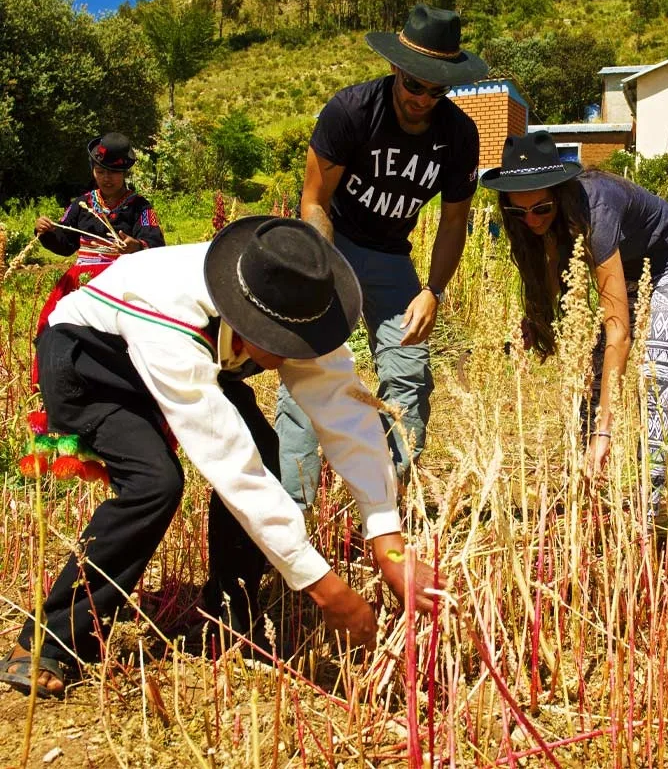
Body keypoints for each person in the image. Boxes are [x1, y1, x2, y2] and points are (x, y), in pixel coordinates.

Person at [0, 216, 439, 698]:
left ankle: (229, 620)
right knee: (154, 484)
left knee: (268, 455)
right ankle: (47, 641)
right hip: (92, 357)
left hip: (183, 357)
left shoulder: (302, 303)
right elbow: (230, 462)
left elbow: (348, 419)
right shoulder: (170, 306)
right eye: (276, 343)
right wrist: (321, 584)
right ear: (240, 311)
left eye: (296, 344)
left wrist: (388, 541)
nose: (289, 355)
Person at [276, 4, 488, 508]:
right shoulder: (350, 111)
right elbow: (314, 202)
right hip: (335, 244)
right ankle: (294, 510)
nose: (423, 99)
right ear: (396, 67)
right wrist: (321, 270)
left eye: (437, 90)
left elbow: (455, 221)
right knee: (309, 368)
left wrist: (432, 291)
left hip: (393, 258)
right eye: (415, 84)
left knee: (409, 374)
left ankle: (384, 505)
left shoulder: (459, 135)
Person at [481, 131, 668, 514]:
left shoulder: (597, 209)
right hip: (623, 268)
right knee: (592, 375)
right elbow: (554, 274)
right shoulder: (544, 219)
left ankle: (652, 504)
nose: (531, 220)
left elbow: (619, 331)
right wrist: (540, 321)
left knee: (652, 372)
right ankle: (590, 497)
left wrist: (605, 430)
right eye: (519, 212)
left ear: (560, 194)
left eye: (540, 210)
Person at [33, 132, 165, 355]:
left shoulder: (140, 207)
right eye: (100, 171)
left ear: (124, 173)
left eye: (113, 172)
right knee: (55, 326)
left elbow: (155, 243)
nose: (106, 178)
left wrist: (137, 246)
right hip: (79, 282)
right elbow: (65, 244)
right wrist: (46, 232)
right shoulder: (81, 204)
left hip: (121, 281)